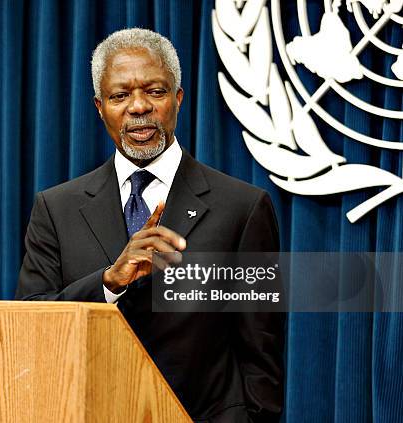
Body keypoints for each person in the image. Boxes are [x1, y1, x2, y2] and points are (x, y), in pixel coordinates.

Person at [16, 28, 284, 422]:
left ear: (177, 98)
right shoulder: (56, 208)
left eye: (155, 92)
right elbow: (31, 326)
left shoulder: (242, 208)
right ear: (99, 106)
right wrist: (108, 282)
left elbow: (261, 356)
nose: (138, 107)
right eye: (119, 95)